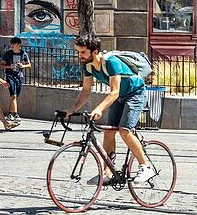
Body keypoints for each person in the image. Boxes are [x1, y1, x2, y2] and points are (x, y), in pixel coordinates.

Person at [64, 34, 157, 185]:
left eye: (82, 52)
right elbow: (86, 90)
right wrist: (72, 109)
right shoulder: (87, 65)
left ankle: (145, 166)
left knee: (125, 130)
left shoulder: (111, 62)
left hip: (135, 94)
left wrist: (99, 109)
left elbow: (114, 91)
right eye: (78, 52)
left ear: (94, 52)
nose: (79, 55)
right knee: (108, 131)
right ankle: (108, 173)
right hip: (119, 96)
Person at [1, 36, 31, 124]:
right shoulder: (8, 53)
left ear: (18, 45)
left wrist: (23, 66)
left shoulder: (23, 53)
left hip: (19, 76)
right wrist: (8, 66)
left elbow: (29, 65)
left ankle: (10, 113)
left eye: (13, 44)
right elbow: (2, 65)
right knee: (13, 95)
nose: (12, 46)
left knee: (15, 96)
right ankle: (15, 114)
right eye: (12, 44)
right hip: (10, 76)